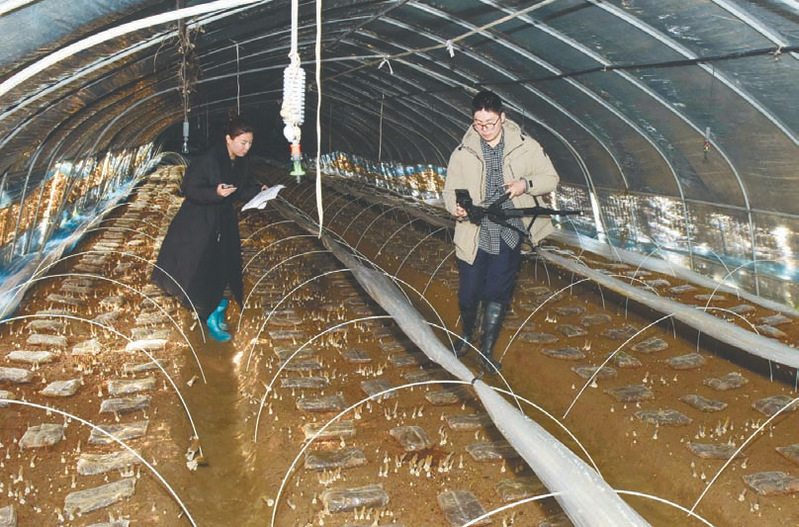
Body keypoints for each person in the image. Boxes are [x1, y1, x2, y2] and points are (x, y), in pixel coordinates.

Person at [443, 90, 560, 372]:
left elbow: (551, 178)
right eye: (478, 123)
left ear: (503, 117)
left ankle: (486, 350)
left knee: (498, 291)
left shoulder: (526, 147)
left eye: (490, 123)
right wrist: (456, 208)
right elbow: (449, 191)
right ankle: (467, 336)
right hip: (474, 231)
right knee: (469, 292)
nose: (484, 129)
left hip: (509, 229)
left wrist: (524, 185)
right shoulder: (463, 152)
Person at [152, 116, 268, 342]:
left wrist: (259, 191)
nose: (246, 147)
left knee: (227, 268)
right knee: (204, 269)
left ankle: (218, 310)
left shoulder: (241, 162)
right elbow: (189, 189)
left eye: (250, 143)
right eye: (243, 142)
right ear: (229, 139)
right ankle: (210, 315)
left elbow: (241, 189)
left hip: (224, 222)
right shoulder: (208, 159)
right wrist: (215, 192)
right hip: (199, 223)